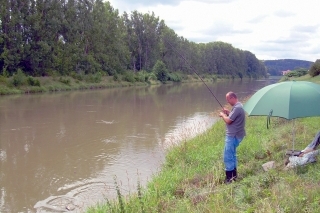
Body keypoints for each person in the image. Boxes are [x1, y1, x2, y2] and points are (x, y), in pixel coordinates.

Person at [219, 91, 246, 183]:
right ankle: (234, 176)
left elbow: (229, 121)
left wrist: (223, 115)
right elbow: (234, 117)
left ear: (232, 98)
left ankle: (229, 179)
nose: (228, 102)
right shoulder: (238, 106)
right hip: (236, 135)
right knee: (232, 156)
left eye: (228, 100)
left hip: (232, 136)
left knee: (227, 157)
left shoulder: (237, 108)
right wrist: (228, 112)